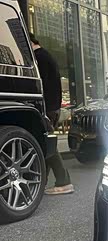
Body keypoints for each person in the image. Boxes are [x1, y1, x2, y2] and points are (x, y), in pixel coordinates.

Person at [30, 34, 74, 195]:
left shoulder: (39, 58)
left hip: (47, 108)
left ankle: (64, 181)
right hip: (52, 108)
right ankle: (42, 183)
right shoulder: (46, 55)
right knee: (47, 145)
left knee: (49, 146)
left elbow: (40, 85)